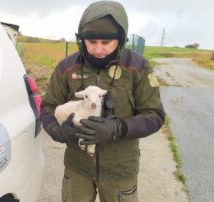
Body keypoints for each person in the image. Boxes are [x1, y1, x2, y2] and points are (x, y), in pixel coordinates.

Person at [40, 1, 165, 201]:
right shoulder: (66, 67)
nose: (98, 50)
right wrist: (58, 131)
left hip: (120, 170)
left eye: (106, 43)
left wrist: (118, 128)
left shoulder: (138, 67)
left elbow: (155, 115)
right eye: (91, 42)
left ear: (121, 40)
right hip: (77, 167)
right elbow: (47, 107)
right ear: (82, 40)